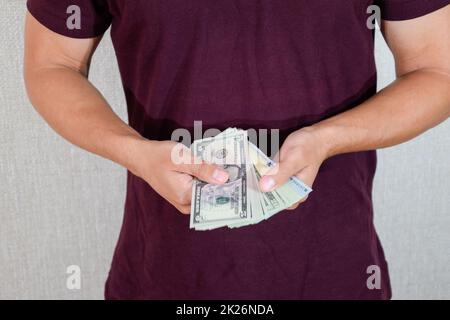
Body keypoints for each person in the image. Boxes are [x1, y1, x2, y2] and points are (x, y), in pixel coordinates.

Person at [24, 0, 450, 299]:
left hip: (333, 271)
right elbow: (51, 64)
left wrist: (328, 139)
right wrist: (133, 152)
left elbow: (437, 71)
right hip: (165, 274)